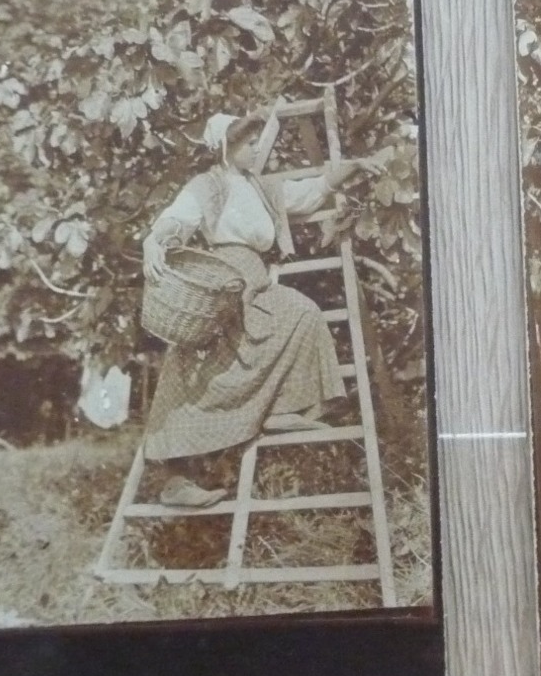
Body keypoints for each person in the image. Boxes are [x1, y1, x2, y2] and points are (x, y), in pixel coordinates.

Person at [140, 109, 376, 508]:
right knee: (196, 370)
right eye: (247, 143)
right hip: (222, 285)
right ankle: (176, 476)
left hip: (258, 283)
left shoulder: (263, 188)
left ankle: (283, 409)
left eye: (254, 141)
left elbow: (311, 190)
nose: (255, 148)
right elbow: (177, 219)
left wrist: (352, 167)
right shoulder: (208, 186)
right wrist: (154, 241)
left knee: (303, 312)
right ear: (225, 148)